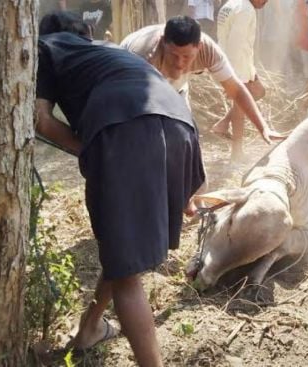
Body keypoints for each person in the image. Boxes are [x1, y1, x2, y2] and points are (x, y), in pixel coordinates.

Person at [36, 12, 206, 366]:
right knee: (121, 251)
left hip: (126, 130)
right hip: (181, 126)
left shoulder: (45, 47)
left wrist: (95, 152)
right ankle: (90, 328)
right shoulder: (108, 53)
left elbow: (41, 120)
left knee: (126, 274)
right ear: (86, 33)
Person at [121, 16, 283, 162]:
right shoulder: (143, 56)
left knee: (186, 136)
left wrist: (263, 127)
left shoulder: (209, 51)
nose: (179, 63)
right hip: (134, 87)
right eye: (174, 55)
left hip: (177, 89)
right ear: (163, 42)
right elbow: (135, 106)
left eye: (186, 57)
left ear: (199, 47)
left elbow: (236, 90)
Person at [216, 0, 271, 160]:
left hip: (234, 62)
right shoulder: (246, 10)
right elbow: (236, 44)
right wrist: (236, 75)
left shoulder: (231, 5)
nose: (265, 2)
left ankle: (223, 123)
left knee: (259, 91)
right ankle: (237, 151)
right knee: (240, 105)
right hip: (236, 64)